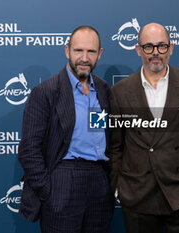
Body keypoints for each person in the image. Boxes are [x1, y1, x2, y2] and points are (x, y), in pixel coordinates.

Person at [108, 23, 179, 233]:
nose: (155, 53)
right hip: (138, 198)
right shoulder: (120, 92)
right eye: (148, 47)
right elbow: (115, 146)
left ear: (171, 48)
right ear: (138, 49)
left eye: (161, 46)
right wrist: (118, 188)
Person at [18, 25, 114, 233]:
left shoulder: (104, 89)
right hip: (63, 179)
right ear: (67, 51)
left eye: (91, 51)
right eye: (79, 50)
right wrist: (48, 190)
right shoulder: (45, 92)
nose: (84, 58)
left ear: (100, 54)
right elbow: (29, 149)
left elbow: (103, 134)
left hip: (100, 181)